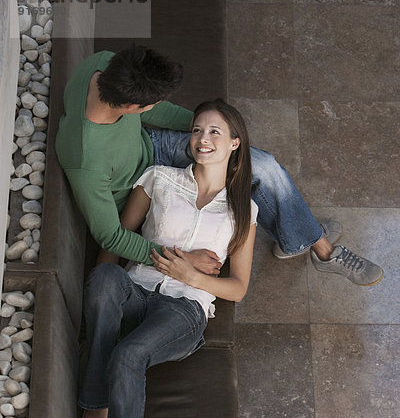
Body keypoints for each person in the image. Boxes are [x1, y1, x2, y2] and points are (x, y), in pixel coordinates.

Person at [79, 99, 258, 418]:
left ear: (235, 144)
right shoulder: (158, 178)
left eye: (216, 132)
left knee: (130, 355)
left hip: (184, 311)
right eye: (198, 130)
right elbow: (118, 240)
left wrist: (193, 276)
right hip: (137, 288)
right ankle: (96, 397)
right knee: (102, 279)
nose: (203, 138)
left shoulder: (243, 210)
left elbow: (236, 286)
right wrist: (102, 287)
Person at [56, 43, 384, 287]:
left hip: (150, 146)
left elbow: (155, 113)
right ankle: (318, 245)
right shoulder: (87, 161)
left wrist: (212, 136)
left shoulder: (103, 65)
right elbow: (111, 237)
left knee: (261, 166)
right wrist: (179, 260)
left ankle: (314, 244)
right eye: (150, 102)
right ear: (131, 105)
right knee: (249, 169)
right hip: (143, 187)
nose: (156, 105)